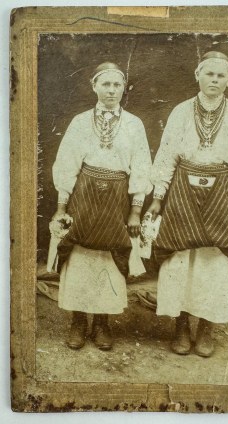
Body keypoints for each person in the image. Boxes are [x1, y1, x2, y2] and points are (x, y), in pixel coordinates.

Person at [148, 51, 228, 357]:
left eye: (221, 75)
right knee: (180, 257)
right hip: (183, 190)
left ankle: (207, 328)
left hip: (222, 192)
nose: (214, 80)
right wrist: (158, 197)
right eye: (209, 74)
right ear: (198, 75)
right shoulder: (181, 112)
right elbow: (166, 155)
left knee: (215, 260)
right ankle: (181, 327)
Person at [52, 62, 152, 350]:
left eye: (117, 85)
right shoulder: (80, 121)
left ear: (124, 89)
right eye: (105, 84)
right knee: (79, 257)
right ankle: (78, 321)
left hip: (117, 200)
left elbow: (142, 167)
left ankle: (102, 324)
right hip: (83, 195)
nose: (111, 90)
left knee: (110, 260)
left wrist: (135, 209)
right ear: (94, 86)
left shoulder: (134, 124)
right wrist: (62, 205)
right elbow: (67, 163)